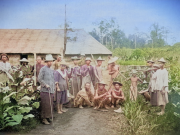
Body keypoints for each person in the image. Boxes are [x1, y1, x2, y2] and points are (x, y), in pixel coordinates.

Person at [38, 54, 55, 125]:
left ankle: (48, 117)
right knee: (45, 105)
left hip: (50, 90)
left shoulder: (51, 70)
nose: (50, 63)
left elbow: (52, 80)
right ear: (46, 62)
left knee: (49, 105)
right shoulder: (43, 69)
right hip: (45, 91)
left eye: (51, 61)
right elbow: (39, 79)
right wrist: (45, 84)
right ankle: (44, 118)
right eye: (49, 61)